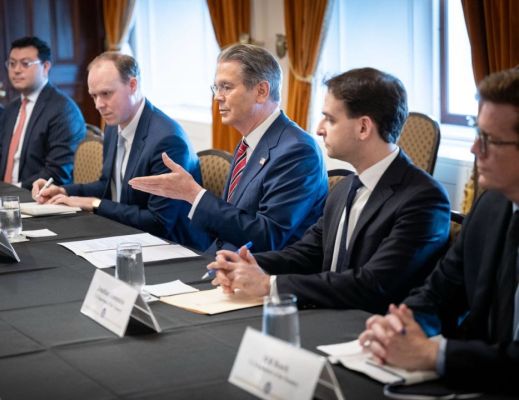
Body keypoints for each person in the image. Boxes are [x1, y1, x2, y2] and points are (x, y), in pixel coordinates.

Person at [207, 68, 450, 314]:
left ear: (363, 128)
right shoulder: (345, 186)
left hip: (372, 327)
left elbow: (372, 285)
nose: (319, 129)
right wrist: (247, 264)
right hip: (326, 314)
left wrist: (268, 284)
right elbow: (308, 254)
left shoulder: (423, 199)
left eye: (330, 119)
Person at [359, 69, 519, 391]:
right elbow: (439, 293)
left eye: (489, 139)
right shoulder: (491, 206)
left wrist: (437, 354)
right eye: (478, 133)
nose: (475, 149)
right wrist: (399, 326)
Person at [129, 44, 327, 254]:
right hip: (220, 257)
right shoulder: (248, 142)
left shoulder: (298, 151)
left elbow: (267, 237)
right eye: (216, 88)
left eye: (226, 87)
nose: (217, 97)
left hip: (260, 269)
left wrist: (194, 194)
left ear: (261, 92)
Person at [32, 53, 208, 250]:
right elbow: (108, 185)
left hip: (174, 248)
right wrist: (64, 191)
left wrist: (95, 204)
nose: (98, 105)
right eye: (94, 96)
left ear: (132, 85)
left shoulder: (167, 140)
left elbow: (158, 222)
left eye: (106, 94)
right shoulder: (114, 125)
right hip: (126, 235)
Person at [0, 36, 85, 189]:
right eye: (12, 64)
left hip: (37, 197)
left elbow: (56, 173)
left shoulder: (62, 109)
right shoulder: (11, 108)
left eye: (25, 64)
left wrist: (13, 191)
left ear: (45, 67)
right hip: (3, 195)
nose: (16, 70)